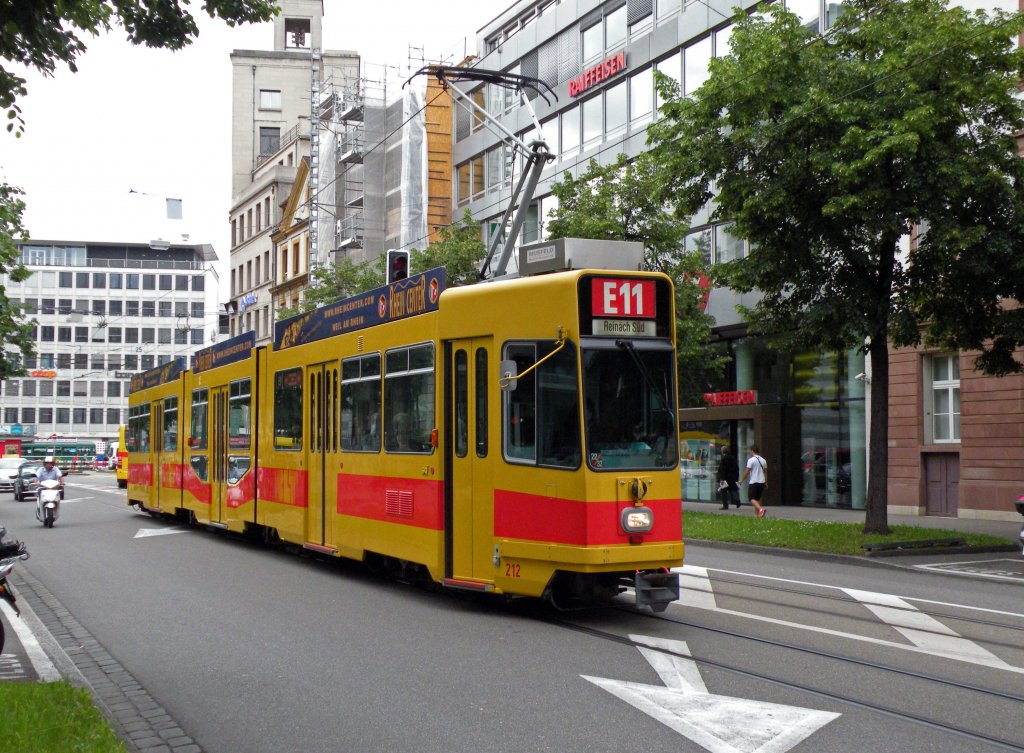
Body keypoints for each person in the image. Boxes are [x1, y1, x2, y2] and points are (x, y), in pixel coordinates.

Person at [738, 444, 768, 518]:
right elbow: (765, 472)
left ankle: (761, 509)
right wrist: (766, 482)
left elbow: (747, 471)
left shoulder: (751, 460)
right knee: (757, 499)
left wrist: (741, 480)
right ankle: (756, 516)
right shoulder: (763, 460)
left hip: (754, 482)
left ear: (752, 451)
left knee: (751, 498)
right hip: (761, 482)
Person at [716, 445, 740, 510]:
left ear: (722, 452)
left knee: (723, 491)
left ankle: (725, 506)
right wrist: (736, 477)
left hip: (725, 479)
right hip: (732, 478)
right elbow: (736, 468)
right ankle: (737, 501)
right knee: (733, 490)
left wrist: (722, 479)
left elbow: (723, 470)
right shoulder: (732, 458)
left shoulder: (724, 459)